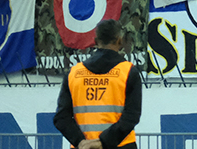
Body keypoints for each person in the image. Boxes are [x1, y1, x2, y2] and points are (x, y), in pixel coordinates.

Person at [54, 19, 141, 149]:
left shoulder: (74, 73)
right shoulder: (128, 72)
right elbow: (131, 117)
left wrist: (80, 142)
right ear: (120, 40)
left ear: (95, 41)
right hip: (121, 145)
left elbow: (61, 118)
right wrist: (103, 142)